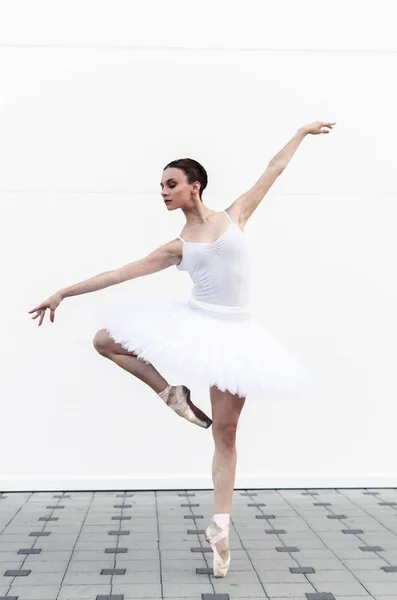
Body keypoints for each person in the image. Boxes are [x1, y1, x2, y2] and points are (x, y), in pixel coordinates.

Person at [28, 120, 336, 577]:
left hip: (236, 336)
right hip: (195, 321)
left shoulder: (236, 216)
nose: (164, 192)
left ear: (195, 187)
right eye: (160, 186)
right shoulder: (177, 247)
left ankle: (221, 528)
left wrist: (301, 132)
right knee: (105, 340)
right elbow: (116, 273)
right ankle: (171, 394)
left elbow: (273, 169)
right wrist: (63, 293)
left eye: (171, 184)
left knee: (226, 435)